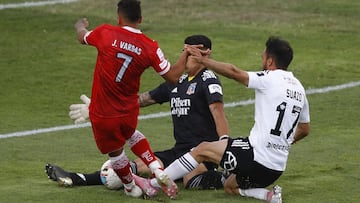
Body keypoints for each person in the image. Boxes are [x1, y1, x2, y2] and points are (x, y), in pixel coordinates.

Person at [46, 35, 229, 195]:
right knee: (132, 167)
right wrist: (98, 109)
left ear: (206, 54)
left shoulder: (208, 79)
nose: (185, 59)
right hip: (179, 151)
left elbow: (217, 111)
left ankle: (231, 176)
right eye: (184, 52)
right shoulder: (176, 82)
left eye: (190, 54)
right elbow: (140, 101)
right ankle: (77, 178)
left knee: (191, 179)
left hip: (203, 152)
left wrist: (224, 145)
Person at [139, 36, 311, 203]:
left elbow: (234, 73)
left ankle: (153, 184)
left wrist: (203, 61)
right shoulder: (299, 88)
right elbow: (304, 129)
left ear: (270, 62)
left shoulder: (269, 78)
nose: (262, 59)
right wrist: (281, 144)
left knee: (201, 150)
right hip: (276, 168)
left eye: (263, 56)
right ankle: (269, 196)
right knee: (230, 186)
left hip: (256, 156)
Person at [71, 0, 201, 199]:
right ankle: (157, 169)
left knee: (116, 153)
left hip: (103, 114)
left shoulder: (106, 33)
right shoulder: (150, 46)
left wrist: (80, 26)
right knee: (131, 133)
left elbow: (82, 37)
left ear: (118, 18)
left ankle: (131, 187)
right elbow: (173, 77)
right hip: (129, 110)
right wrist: (186, 53)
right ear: (140, 19)